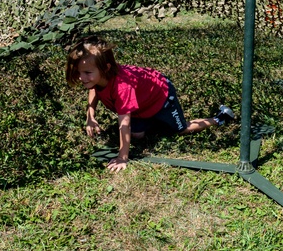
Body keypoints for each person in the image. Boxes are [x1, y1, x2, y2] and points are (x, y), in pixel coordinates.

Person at [66, 37, 235, 173]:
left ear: (106, 68)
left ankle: (220, 117)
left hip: (161, 96)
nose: (82, 78)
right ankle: (154, 121)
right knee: (137, 135)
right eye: (79, 72)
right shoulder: (98, 78)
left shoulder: (122, 87)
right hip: (142, 104)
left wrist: (122, 157)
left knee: (180, 129)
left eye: (87, 73)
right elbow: (94, 89)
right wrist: (91, 117)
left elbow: (124, 124)